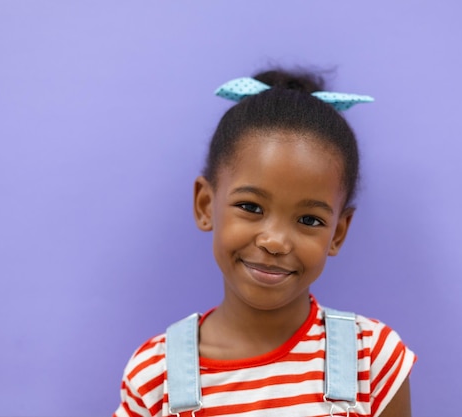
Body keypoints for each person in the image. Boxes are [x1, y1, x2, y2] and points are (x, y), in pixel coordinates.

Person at [113, 69, 416, 417]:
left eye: (309, 220)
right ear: (205, 205)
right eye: (251, 207)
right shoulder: (155, 377)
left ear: (338, 233)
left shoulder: (372, 358)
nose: (275, 241)